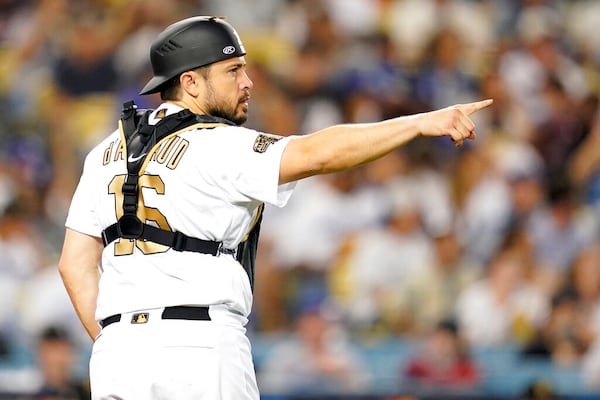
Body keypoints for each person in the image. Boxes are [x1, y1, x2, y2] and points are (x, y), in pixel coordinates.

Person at [57, 15, 492, 400]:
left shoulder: (104, 152)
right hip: (200, 349)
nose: (247, 82)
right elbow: (317, 153)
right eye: (233, 70)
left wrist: (114, 340)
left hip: (117, 356)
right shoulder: (216, 142)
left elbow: (74, 265)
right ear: (190, 82)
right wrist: (416, 123)